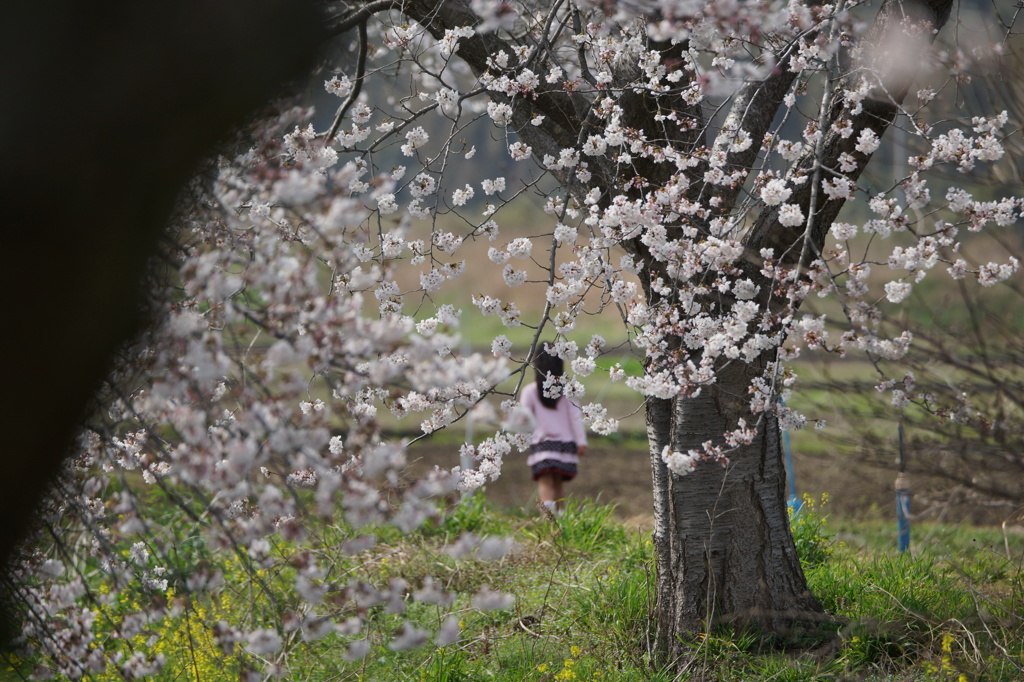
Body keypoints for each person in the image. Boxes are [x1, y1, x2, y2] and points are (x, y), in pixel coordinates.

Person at [521, 345, 587, 513]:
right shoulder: (568, 390)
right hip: (565, 445)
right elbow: (575, 417)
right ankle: (561, 519)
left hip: (543, 444)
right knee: (557, 484)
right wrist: (581, 441)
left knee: (545, 483)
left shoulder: (530, 391)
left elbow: (523, 419)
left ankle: (548, 520)